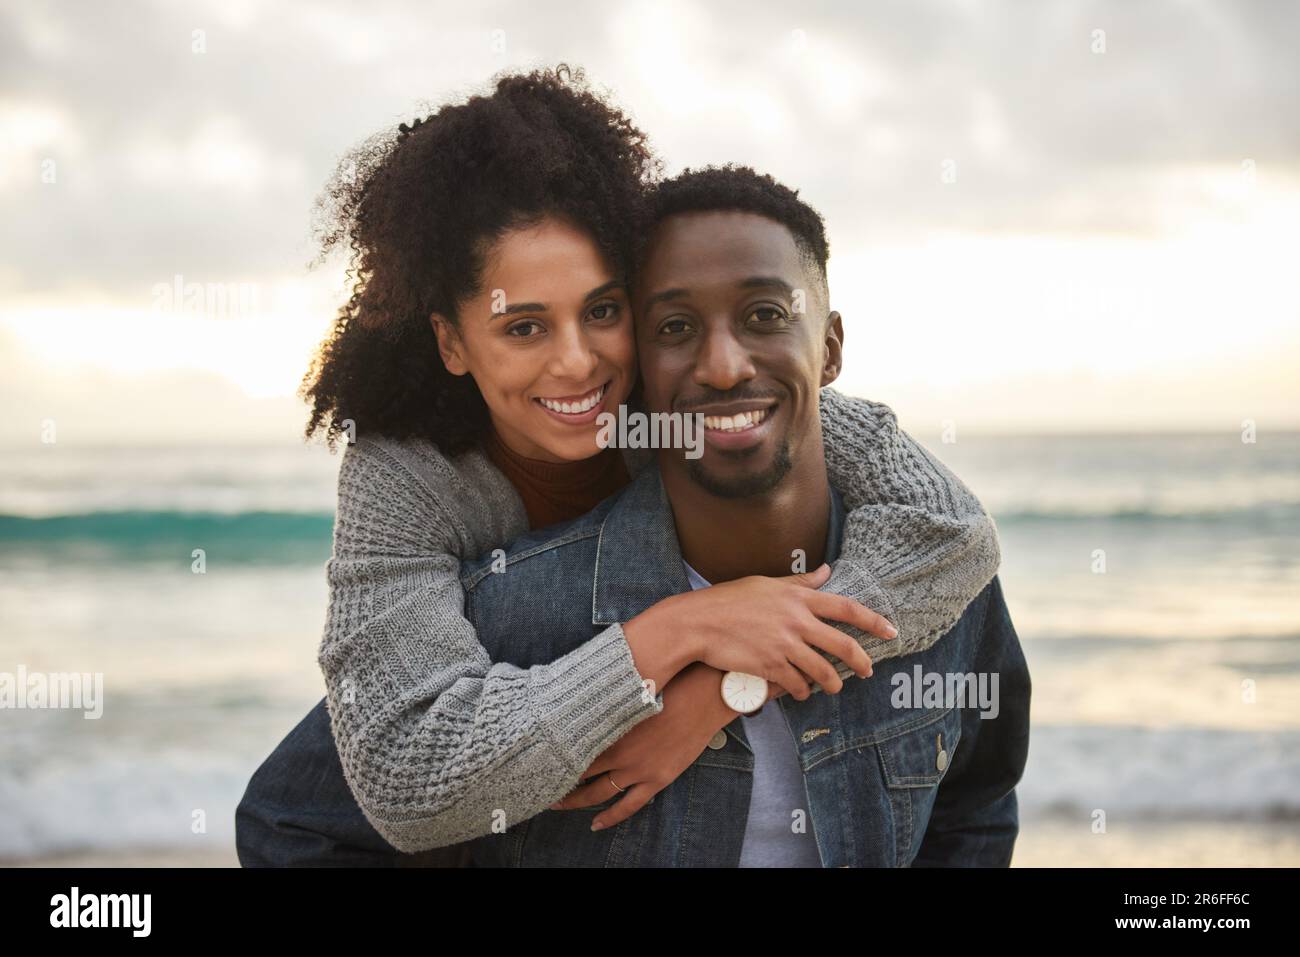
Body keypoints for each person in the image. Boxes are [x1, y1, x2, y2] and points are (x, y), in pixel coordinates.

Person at [236, 69, 1003, 865]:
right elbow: (408, 771)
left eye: (603, 311)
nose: (578, 364)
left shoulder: (685, 395)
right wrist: (679, 632)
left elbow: (947, 529)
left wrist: (724, 688)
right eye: (525, 327)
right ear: (453, 342)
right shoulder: (405, 475)